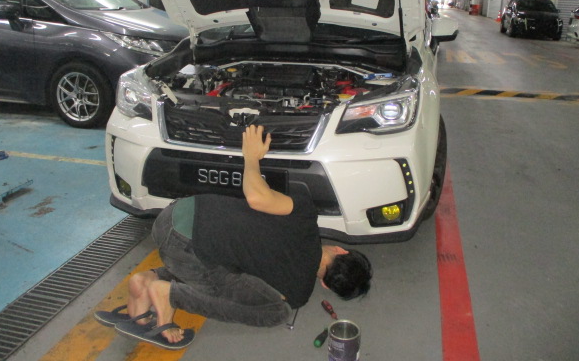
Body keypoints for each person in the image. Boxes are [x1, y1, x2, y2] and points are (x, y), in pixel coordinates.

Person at [95, 125, 372, 349]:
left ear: (341, 250)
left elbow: (259, 197)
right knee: (273, 309)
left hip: (174, 215)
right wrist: (250, 156)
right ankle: (169, 294)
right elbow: (255, 199)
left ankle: (147, 282)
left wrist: (254, 158)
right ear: (325, 285)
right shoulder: (299, 293)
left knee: (229, 265)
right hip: (182, 249)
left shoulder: (305, 214)